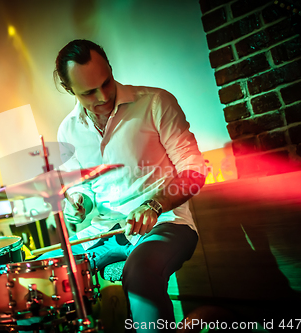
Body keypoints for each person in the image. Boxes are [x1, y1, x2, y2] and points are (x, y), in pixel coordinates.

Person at [44, 39, 207, 332]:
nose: (103, 96)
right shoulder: (67, 129)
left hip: (166, 225)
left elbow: (194, 170)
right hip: (104, 233)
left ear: (109, 67)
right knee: (44, 273)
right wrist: (78, 205)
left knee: (141, 272)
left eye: (106, 82)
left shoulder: (156, 102)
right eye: (89, 92)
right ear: (70, 90)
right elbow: (82, 193)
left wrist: (154, 204)